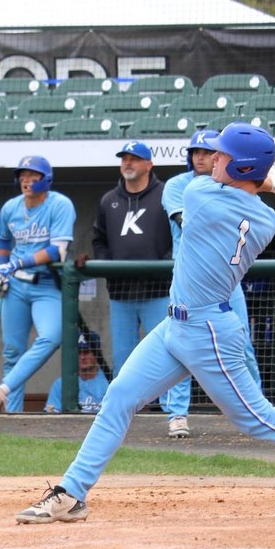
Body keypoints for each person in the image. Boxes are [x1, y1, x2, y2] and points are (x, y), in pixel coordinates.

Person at [16, 123, 275, 524]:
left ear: (244, 167)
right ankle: (71, 493)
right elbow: (239, 185)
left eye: (222, 155)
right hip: (174, 326)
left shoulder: (201, 196)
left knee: (255, 418)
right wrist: (270, 181)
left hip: (209, 332)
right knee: (120, 398)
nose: (212, 159)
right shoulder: (266, 218)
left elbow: (186, 187)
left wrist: (269, 177)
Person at [82, 140, 191, 438]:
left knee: (175, 351)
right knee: (125, 358)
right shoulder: (109, 200)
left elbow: (179, 234)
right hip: (122, 293)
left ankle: (177, 414)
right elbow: (99, 239)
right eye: (124, 158)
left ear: (149, 164)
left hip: (159, 290)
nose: (128, 163)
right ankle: (121, 419)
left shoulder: (165, 194)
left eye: (135, 158)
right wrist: (107, 266)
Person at [162, 128, 263, 408]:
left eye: (208, 152)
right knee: (178, 344)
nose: (202, 157)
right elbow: (190, 220)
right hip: (189, 280)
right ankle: (177, 414)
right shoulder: (179, 186)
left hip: (226, 279)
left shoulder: (235, 190)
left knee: (242, 344)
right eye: (197, 151)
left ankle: (255, 407)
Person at [0, 155, 75, 413]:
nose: (27, 180)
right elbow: (2, 240)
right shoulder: (10, 207)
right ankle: (13, 415)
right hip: (16, 287)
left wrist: (16, 264)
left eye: (33, 175)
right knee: (12, 351)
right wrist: (2, 269)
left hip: (47, 284)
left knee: (52, 336)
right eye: (23, 175)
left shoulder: (60, 204)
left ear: (46, 179)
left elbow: (57, 250)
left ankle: (2, 390)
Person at [44, 331, 109, 414]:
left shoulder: (109, 382)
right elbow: (51, 418)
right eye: (78, 352)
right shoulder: (61, 384)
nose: (82, 357)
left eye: (86, 352)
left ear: (97, 353)